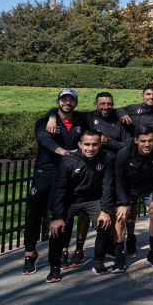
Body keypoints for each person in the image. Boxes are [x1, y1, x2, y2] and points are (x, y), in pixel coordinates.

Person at [44, 91, 129, 266]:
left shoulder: (118, 120)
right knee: (66, 222)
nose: (105, 106)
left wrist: (109, 140)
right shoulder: (87, 118)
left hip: (106, 173)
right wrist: (51, 116)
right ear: (95, 104)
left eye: (109, 104)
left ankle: (104, 254)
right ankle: (63, 258)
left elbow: (127, 145)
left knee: (107, 216)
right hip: (78, 185)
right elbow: (64, 109)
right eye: (102, 103)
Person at [24, 89, 89, 276]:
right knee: (35, 213)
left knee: (64, 214)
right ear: (58, 101)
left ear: (76, 103)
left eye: (71, 100)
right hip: (45, 172)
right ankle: (30, 252)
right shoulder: (44, 122)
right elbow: (44, 139)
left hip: (68, 173)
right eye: (64, 99)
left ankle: (62, 249)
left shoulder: (81, 121)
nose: (67, 102)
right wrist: (62, 151)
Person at [45, 129, 115, 283]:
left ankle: (98, 260)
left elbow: (107, 185)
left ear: (100, 145)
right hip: (70, 200)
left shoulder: (107, 158)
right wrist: (57, 216)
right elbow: (59, 189)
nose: (91, 148)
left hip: (92, 199)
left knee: (104, 222)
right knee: (57, 229)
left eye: (95, 144)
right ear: (80, 144)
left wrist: (105, 210)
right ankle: (54, 266)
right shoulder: (68, 161)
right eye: (87, 144)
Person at [113, 127, 153, 270]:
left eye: (150, 140)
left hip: (149, 186)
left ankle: (152, 253)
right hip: (128, 187)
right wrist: (123, 203)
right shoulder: (124, 154)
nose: (147, 144)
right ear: (136, 140)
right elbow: (119, 180)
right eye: (143, 141)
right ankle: (120, 255)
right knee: (120, 216)